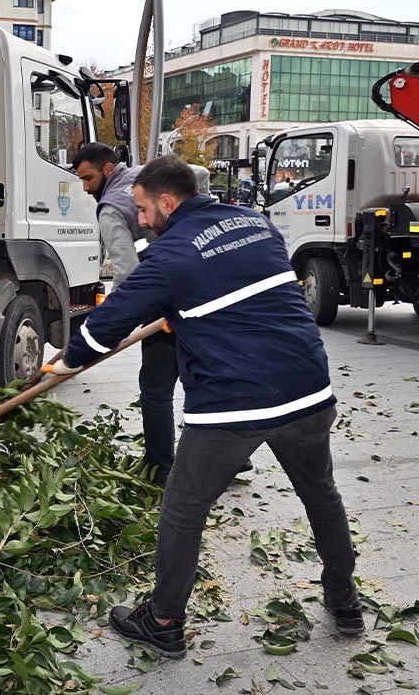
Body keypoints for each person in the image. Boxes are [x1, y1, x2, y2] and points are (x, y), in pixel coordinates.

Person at [44, 155, 362, 658]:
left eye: (145, 210)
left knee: (183, 508)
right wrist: (183, 310)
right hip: (307, 388)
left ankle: (164, 620)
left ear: (168, 202)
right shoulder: (255, 222)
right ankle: (345, 602)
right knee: (321, 495)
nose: (141, 220)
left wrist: (65, 363)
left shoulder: (168, 257)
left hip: (234, 403)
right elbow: (239, 287)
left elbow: (111, 322)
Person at [71, 144, 244, 484]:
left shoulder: (109, 210)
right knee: (209, 378)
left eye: (88, 178)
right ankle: (236, 460)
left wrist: (120, 324)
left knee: (155, 388)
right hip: (203, 295)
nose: (85, 188)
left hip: (165, 308)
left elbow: (125, 274)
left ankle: (160, 467)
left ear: (108, 170)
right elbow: (199, 175)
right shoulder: (146, 176)